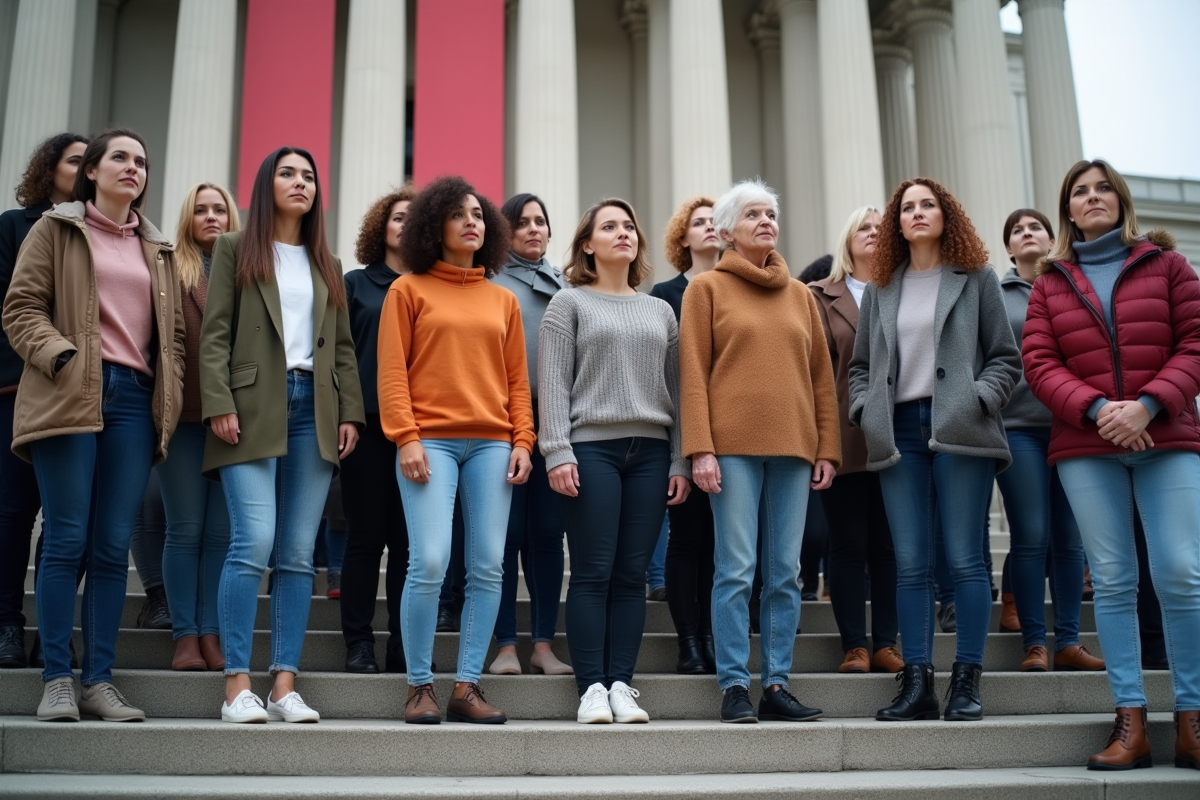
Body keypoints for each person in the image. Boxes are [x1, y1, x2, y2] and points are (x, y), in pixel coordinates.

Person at [1022, 159, 1200, 770]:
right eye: (1080, 192)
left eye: (1103, 189)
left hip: (1167, 436)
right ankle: (1131, 722)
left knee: (1179, 572)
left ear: (1120, 202)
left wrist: (1147, 406)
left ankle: (1192, 718)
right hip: (1087, 444)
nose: (1092, 198)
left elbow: (1195, 342)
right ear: (1067, 210)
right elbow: (1040, 364)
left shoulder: (1168, 264)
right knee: (1116, 581)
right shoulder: (1050, 282)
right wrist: (1101, 409)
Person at [4, 128, 185, 722]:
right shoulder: (54, 229)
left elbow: (173, 338)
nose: (133, 168)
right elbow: (20, 307)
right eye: (120, 158)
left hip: (134, 401)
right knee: (65, 539)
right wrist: (61, 356)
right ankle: (57, 678)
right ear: (94, 172)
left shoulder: (156, 248)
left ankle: (98, 681)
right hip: (69, 391)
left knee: (111, 547)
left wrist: (171, 392)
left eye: (142, 160)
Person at [200, 147, 364, 724]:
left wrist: (350, 413)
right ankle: (236, 685)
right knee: (252, 542)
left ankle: (283, 685)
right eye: (288, 173)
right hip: (248, 407)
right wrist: (217, 401)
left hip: (312, 410)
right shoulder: (233, 249)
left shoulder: (327, 262)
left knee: (297, 554)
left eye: (310, 175)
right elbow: (215, 333)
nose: (301, 183)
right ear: (267, 184)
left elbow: (342, 348)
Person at [849, 177, 1020, 723]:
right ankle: (916, 682)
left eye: (928, 205)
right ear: (897, 223)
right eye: (907, 207)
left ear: (947, 215)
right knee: (911, 564)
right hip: (898, 430)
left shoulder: (976, 278)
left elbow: (1005, 358)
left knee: (967, 560)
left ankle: (966, 680)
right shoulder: (880, 288)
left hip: (961, 428)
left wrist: (979, 398)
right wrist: (865, 409)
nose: (917, 213)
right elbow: (858, 369)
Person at [680, 179, 840, 724]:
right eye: (753, 214)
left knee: (785, 571)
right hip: (731, 450)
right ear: (726, 231)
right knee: (736, 569)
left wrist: (828, 448)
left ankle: (775, 682)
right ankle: (733, 686)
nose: (766, 221)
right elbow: (693, 376)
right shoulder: (705, 290)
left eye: (771, 213)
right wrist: (699, 449)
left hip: (795, 449)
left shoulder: (800, 294)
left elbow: (822, 378)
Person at [378, 175, 533, 725]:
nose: (472, 221)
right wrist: (407, 436)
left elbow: (518, 380)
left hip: (493, 443)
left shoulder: (503, 298)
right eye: (458, 213)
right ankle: (420, 686)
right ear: (433, 226)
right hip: (431, 442)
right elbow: (392, 371)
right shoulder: (408, 290)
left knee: (489, 565)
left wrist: (524, 440)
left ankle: (466, 686)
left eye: (478, 214)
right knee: (430, 562)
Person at [540, 198, 690, 724]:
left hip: (651, 451)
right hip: (591, 449)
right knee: (592, 571)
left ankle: (621, 685)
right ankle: (590, 689)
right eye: (609, 226)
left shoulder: (660, 310)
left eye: (629, 226)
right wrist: (557, 450)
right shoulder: (568, 304)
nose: (623, 233)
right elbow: (554, 384)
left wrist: (679, 460)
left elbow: (678, 389)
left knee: (631, 575)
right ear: (588, 244)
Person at [995, 208, 1101, 674]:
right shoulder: (996, 296)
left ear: (1052, 236)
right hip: (1019, 429)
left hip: (1074, 426)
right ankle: (1035, 643)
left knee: (1071, 539)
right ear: (1010, 248)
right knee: (1032, 533)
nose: (1026, 233)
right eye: (1017, 230)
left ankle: (1069, 643)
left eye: (1034, 226)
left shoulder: (1073, 286)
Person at [0, 132, 89, 669]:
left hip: (83, 395)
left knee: (68, 522)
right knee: (12, 512)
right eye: (74, 160)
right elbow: (10, 306)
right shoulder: (14, 226)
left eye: (87, 162)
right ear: (49, 168)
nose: (82, 170)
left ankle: (51, 628)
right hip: (17, 388)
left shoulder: (104, 233)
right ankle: (7, 624)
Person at [808, 206, 902, 675]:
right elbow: (814, 375)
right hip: (843, 437)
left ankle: (886, 642)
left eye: (881, 229)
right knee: (846, 546)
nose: (872, 234)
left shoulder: (905, 291)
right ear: (847, 240)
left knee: (888, 548)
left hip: (899, 437)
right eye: (864, 227)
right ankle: (854, 646)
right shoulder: (818, 296)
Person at [488, 192, 571, 677]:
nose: (534, 230)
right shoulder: (489, 282)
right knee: (504, 535)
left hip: (556, 424)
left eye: (541, 221)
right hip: (502, 422)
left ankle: (542, 645)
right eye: (522, 223)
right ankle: (503, 646)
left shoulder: (565, 284)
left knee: (546, 535)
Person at [158, 182, 240, 672]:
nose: (211, 217)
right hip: (185, 417)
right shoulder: (169, 266)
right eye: (201, 210)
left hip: (237, 422)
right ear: (188, 218)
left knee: (222, 535)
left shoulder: (249, 271)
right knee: (185, 529)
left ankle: (212, 632)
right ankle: (184, 636)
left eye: (220, 209)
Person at [340, 187, 416, 675]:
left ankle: (402, 645)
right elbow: (340, 358)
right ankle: (359, 643)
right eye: (398, 218)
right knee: (366, 539)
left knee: (411, 546)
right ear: (381, 228)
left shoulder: (434, 285)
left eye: (416, 218)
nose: (406, 226)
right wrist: (345, 414)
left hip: (421, 435)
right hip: (366, 428)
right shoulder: (355, 284)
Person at [651, 196, 718, 674]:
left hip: (733, 432)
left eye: (717, 221)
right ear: (684, 238)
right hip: (680, 434)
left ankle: (714, 636)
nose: (710, 228)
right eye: (699, 222)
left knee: (721, 544)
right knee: (686, 539)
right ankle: (689, 641)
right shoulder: (665, 293)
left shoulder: (739, 286)